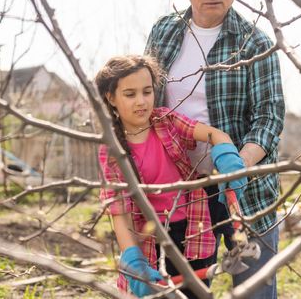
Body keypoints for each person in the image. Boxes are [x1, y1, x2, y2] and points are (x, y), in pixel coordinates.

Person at [145, 0, 285, 297]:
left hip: (245, 193)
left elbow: (269, 116)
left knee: (254, 288)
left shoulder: (256, 43)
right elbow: (146, 101)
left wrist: (237, 165)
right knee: (186, 291)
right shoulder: (163, 33)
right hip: (182, 192)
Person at [95, 55, 247, 298]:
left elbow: (215, 135)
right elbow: (120, 215)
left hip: (193, 232)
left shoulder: (166, 121)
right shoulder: (112, 151)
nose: (141, 101)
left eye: (147, 91)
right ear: (110, 98)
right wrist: (133, 262)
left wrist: (227, 156)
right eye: (130, 94)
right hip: (152, 243)